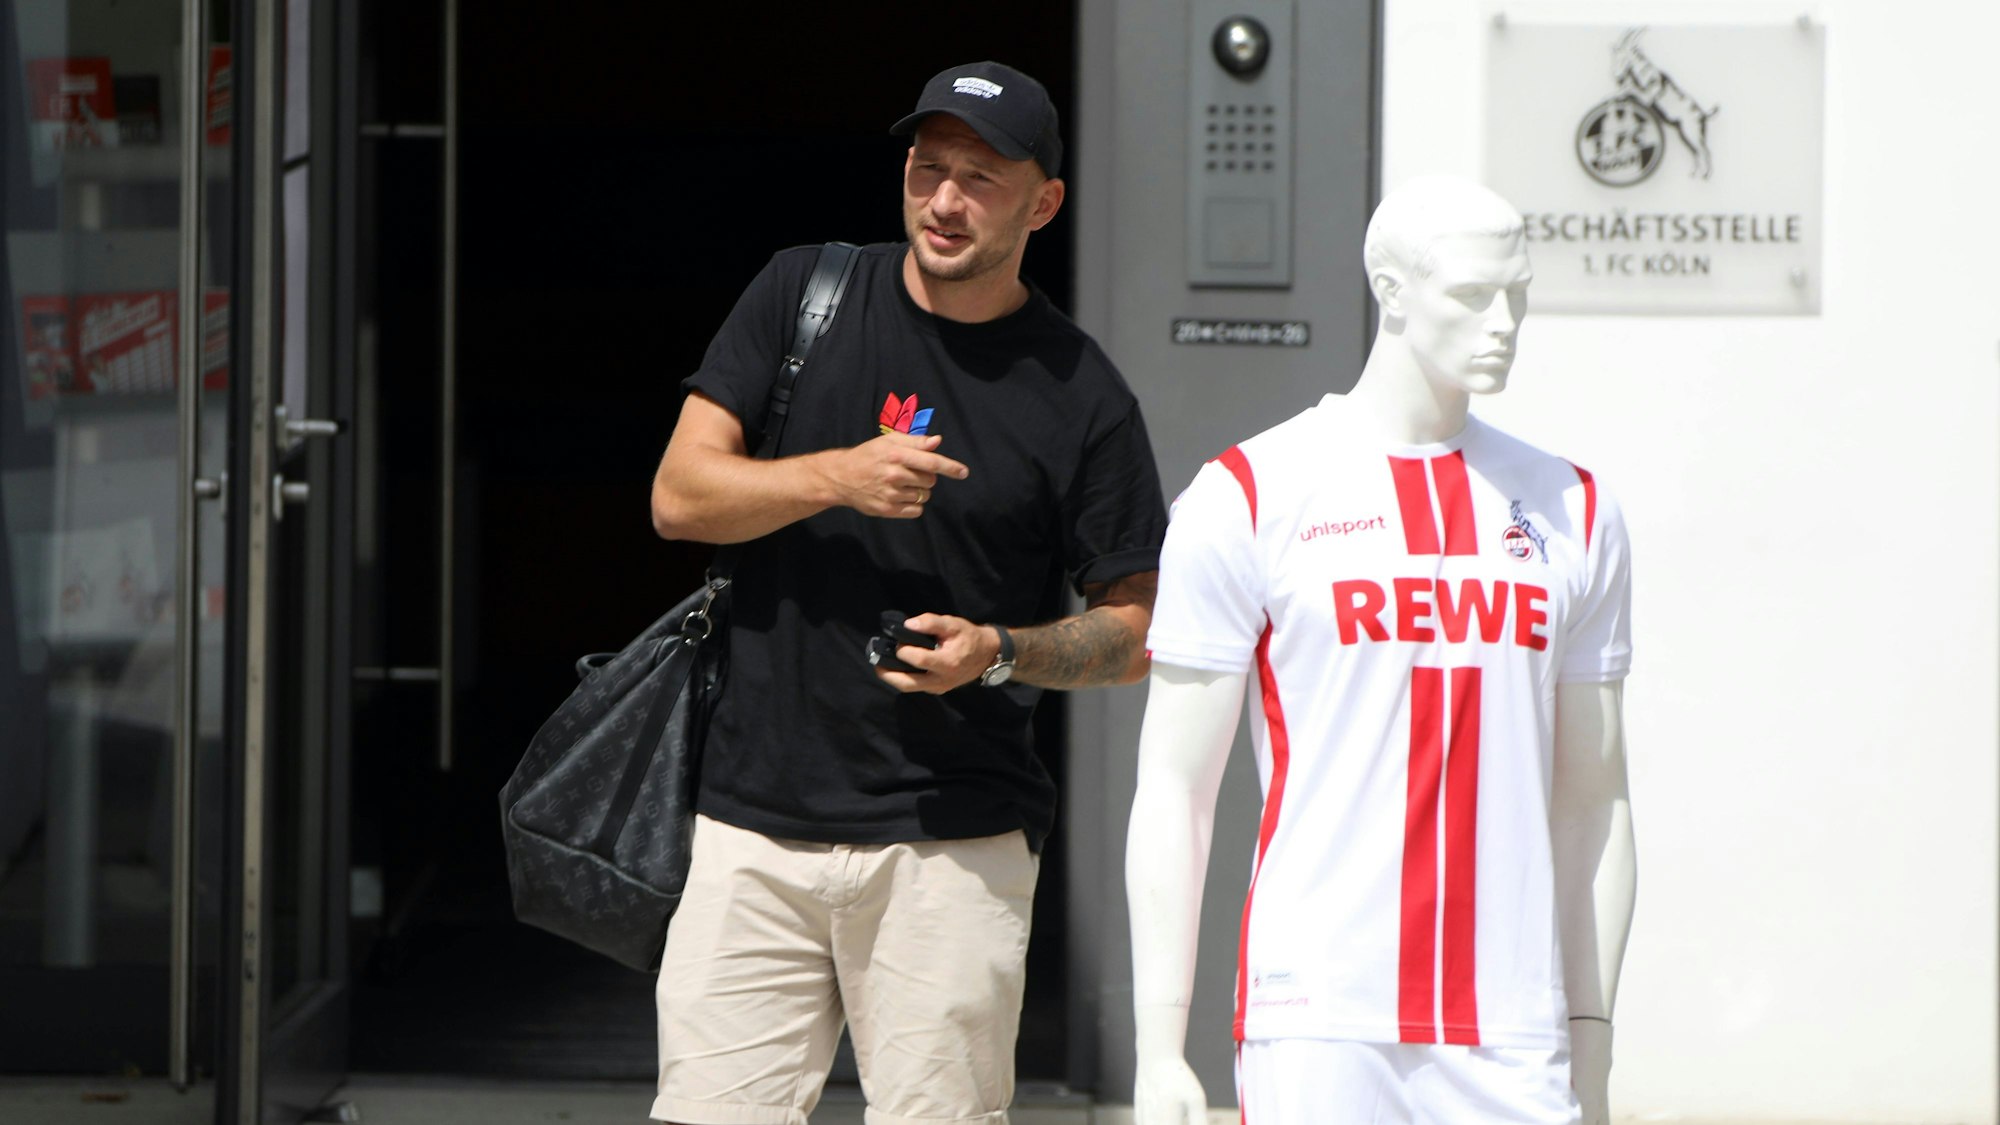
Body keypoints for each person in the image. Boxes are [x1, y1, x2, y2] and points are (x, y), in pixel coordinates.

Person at [648, 60, 1168, 1125]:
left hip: (953, 852)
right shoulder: (803, 293)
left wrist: (1000, 652)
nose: (943, 200)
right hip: (753, 831)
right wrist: (835, 475)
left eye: (979, 178)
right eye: (928, 169)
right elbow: (678, 497)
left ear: (1043, 202)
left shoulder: (1082, 393)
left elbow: (1135, 630)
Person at [1125, 176, 1636, 1125]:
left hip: (1513, 1028)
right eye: (1474, 295)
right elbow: (1174, 791)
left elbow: (1593, 800)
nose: (1506, 322)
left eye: (1518, 292)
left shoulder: (1573, 508)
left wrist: (1592, 1040)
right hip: (1320, 1017)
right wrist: (1159, 1047)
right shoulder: (1249, 493)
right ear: (1391, 290)